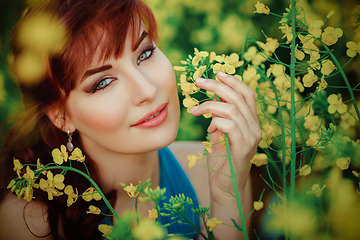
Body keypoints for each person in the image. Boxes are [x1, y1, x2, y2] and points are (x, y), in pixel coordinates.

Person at [0, 0, 261, 239]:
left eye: (145, 53)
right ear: (60, 116)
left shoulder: (215, 173)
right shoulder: (30, 224)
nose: (147, 90)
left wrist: (227, 199)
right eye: (103, 82)